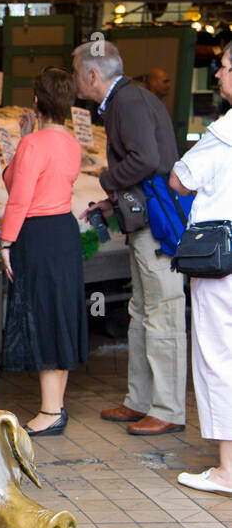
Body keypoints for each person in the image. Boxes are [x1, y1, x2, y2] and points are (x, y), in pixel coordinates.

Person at [73, 40, 186, 435]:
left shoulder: (128, 101)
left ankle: (167, 408)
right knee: (142, 311)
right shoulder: (126, 99)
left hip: (159, 226)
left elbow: (146, 160)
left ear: (92, 74)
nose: (76, 81)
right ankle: (140, 400)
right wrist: (110, 202)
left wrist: (106, 181)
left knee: (163, 313)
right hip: (143, 222)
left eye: (76, 73)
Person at [0, 69, 89, 435]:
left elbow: (18, 196)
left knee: (42, 315)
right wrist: (23, 141)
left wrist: (6, 242)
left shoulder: (33, 145)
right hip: (63, 232)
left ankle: (51, 412)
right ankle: (57, 406)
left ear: (37, 101)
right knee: (61, 312)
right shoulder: (72, 144)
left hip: (36, 234)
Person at [170, 41, 232, 494]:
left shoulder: (223, 133)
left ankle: (228, 470)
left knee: (218, 358)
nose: (218, 76)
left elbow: (180, 179)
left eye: (224, 67)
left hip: (222, 260)